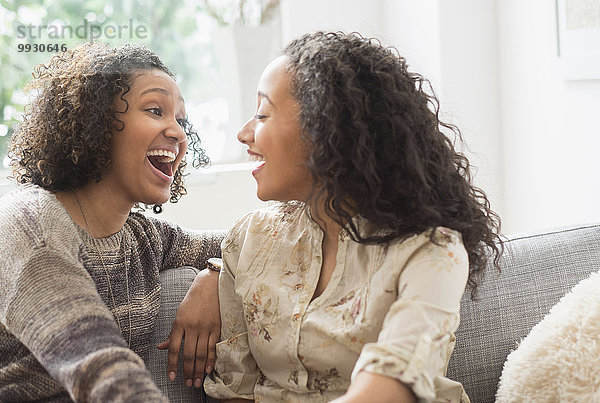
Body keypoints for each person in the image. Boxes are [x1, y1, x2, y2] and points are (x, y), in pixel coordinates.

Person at [201, 32, 503, 402]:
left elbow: (390, 388)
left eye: (263, 114)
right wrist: (209, 274)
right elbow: (237, 391)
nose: (244, 133)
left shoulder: (431, 251)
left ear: (326, 130)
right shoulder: (249, 240)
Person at [0, 42, 222, 402]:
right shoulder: (29, 226)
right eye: (155, 110)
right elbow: (98, 367)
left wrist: (217, 272)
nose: (180, 134)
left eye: (180, 121)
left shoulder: (143, 238)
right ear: (96, 122)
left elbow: (253, 240)